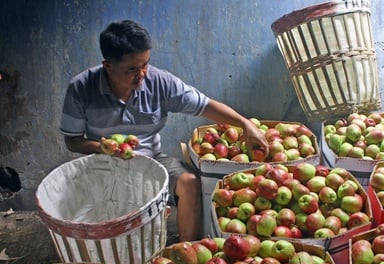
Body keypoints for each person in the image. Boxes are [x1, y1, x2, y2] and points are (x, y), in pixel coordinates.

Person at [59, 19, 269, 243]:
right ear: (108, 65)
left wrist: (245, 124)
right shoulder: (81, 87)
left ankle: (188, 250)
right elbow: (73, 141)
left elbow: (205, 105)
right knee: (94, 208)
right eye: (131, 69)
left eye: (145, 64)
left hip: (152, 160)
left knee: (189, 181)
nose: (141, 74)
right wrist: (104, 148)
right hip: (103, 164)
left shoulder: (159, 81)